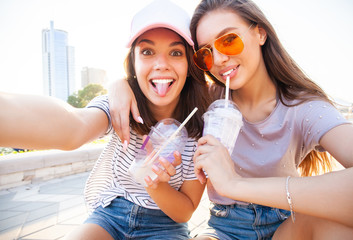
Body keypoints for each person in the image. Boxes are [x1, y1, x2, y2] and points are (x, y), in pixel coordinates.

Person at [107, 0, 353, 239]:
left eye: (229, 40)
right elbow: (159, 87)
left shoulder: (304, 109)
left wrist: (233, 184)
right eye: (205, 53)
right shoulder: (205, 99)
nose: (218, 60)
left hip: (288, 225)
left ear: (260, 33)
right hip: (225, 227)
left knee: (341, 228)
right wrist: (119, 85)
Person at [0, 0, 211, 239]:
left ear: (189, 63)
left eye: (175, 52)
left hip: (166, 226)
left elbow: (184, 212)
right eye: (147, 51)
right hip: (111, 215)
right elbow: (74, 126)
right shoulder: (120, 105)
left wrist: (154, 182)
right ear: (133, 61)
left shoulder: (199, 129)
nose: (161, 64)